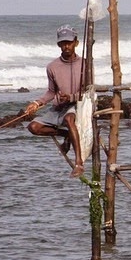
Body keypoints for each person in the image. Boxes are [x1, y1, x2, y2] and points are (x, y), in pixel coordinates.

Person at [25, 25, 86, 178]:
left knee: (69, 118)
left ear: (76, 43)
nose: (66, 46)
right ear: (58, 44)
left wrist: (71, 97)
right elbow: (51, 92)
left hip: (79, 105)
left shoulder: (85, 64)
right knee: (33, 127)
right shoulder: (52, 67)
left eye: (69, 42)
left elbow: (88, 91)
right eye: (63, 43)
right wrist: (37, 103)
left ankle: (79, 163)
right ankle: (66, 134)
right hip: (59, 107)